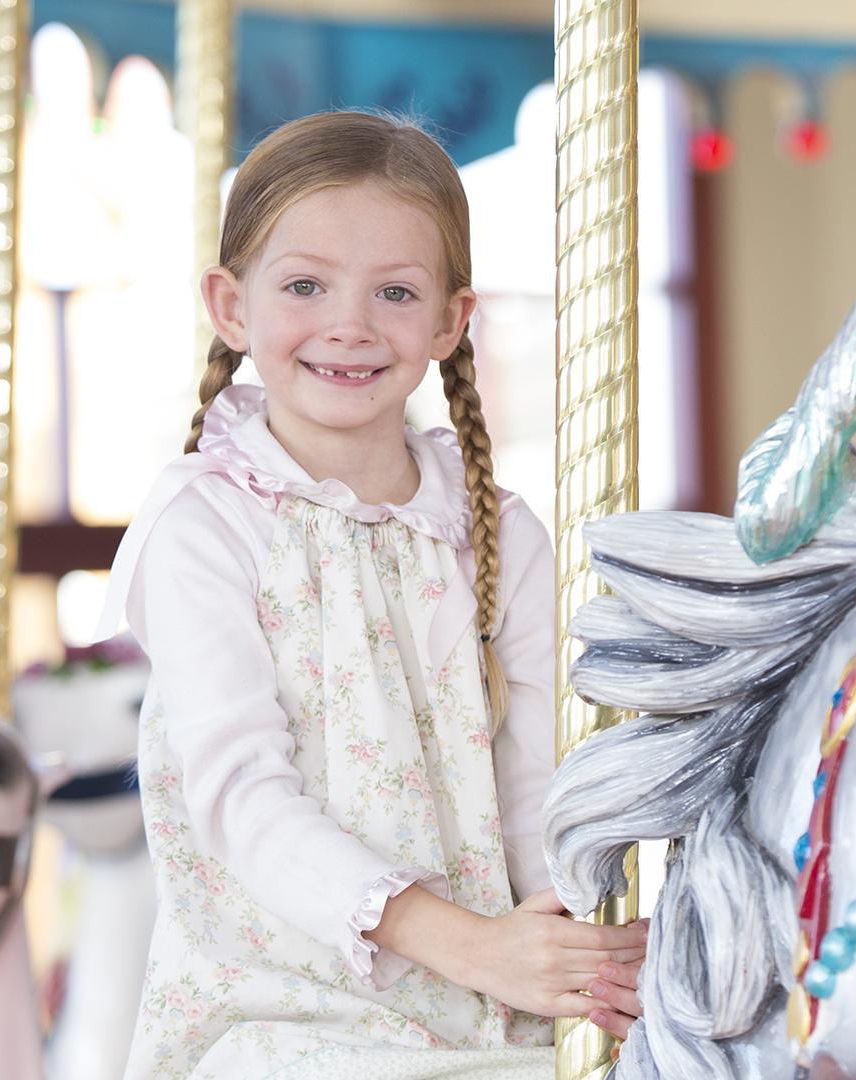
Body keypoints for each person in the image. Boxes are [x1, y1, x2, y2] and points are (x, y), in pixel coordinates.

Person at [93, 111, 644, 1077]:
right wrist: (472, 946)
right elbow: (243, 802)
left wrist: (573, 947)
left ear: (449, 322)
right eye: (305, 285)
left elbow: (532, 798)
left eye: (394, 291)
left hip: (486, 1008)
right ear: (231, 305)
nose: (349, 324)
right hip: (279, 1010)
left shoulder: (498, 534)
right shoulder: (207, 525)